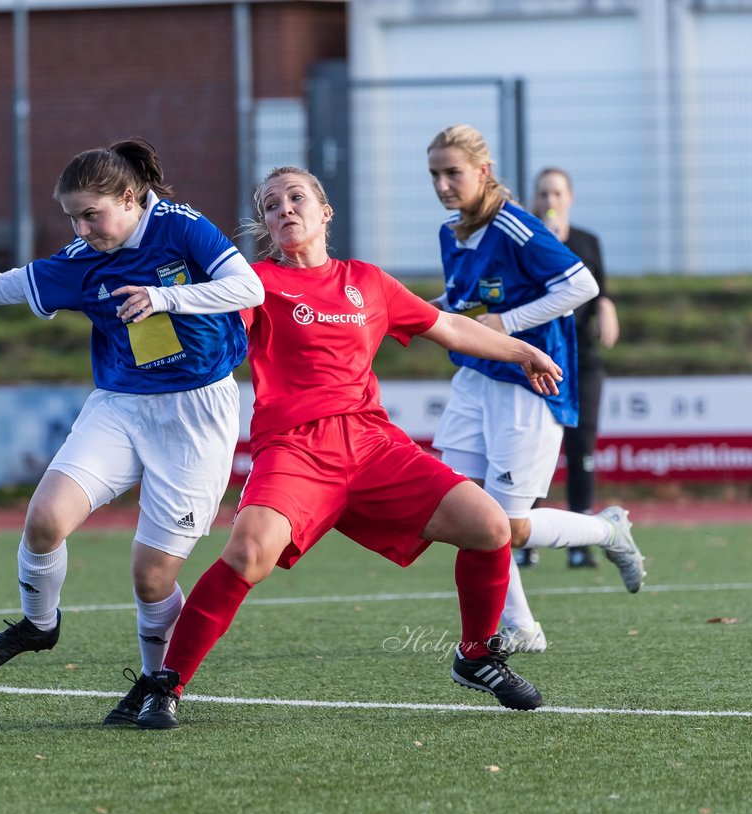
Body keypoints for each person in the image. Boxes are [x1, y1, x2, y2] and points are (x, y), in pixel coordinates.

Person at [132, 166, 561, 729]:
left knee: (490, 526)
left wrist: (521, 351)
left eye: (296, 198)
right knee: (246, 554)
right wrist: (155, 309)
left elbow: (450, 329)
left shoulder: (369, 282)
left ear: (324, 212)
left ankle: (477, 654)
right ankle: (165, 684)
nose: (284, 209)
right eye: (269, 205)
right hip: (294, 450)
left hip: (371, 444)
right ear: (263, 225)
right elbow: (204, 335)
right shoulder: (255, 283)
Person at [0, 138, 263, 725]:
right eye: (72, 215)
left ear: (129, 198)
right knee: (45, 517)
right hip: (120, 405)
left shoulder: (181, 227)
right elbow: (22, 281)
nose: (81, 227)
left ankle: (158, 684)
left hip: (197, 412)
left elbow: (247, 287)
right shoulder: (83, 255)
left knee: (151, 578)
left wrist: (163, 297)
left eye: (90, 214)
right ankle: (39, 623)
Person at [424, 125, 644, 655]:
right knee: (464, 513)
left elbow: (581, 285)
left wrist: (509, 323)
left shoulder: (515, 225)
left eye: (453, 172)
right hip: (475, 379)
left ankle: (607, 530)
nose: (443, 184)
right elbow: (467, 303)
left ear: (483, 171)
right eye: (434, 174)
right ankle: (521, 627)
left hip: (528, 381)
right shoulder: (450, 232)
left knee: (509, 526)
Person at [514, 167, 620, 570]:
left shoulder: (588, 242)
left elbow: (598, 289)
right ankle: (526, 539)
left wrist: (607, 306)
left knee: (581, 449)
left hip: (582, 360)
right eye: (543, 194)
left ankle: (579, 543)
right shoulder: (526, 242)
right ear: (535, 199)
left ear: (569, 197)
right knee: (534, 449)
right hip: (540, 358)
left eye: (557, 193)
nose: (550, 200)